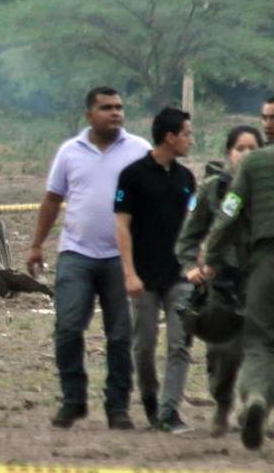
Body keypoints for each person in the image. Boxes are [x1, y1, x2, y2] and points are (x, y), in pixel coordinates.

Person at [27, 86, 151, 430]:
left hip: (121, 259)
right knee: (67, 329)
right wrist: (36, 245)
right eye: (107, 107)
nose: (116, 113)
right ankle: (73, 400)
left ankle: (118, 408)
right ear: (89, 115)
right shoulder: (70, 152)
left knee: (120, 335)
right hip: (76, 254)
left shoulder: (140, 150)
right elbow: (52, 200)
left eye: (119, 107)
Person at [114, 107, 196, 433]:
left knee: (180, 344)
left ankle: (169, 411)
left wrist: (197, 264)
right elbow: (121, 225)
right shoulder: (132, 176)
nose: (191, 140)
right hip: (144, 278)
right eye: (187, 134)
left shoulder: (186, 179)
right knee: (144, 345)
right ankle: (150, 398)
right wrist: (129, 273)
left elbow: (194, 226)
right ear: (170, 137)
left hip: (179, 277)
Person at [175, 126, 261, 437]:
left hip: (262, 283)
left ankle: (257, 406)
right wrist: (191, 268)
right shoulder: (213, 189)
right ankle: (223, 404)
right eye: (240, 148)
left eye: (253, 149)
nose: (246, 155)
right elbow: (189, 237)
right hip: (222, 286)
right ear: (229, 153)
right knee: (225, 355)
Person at [203, 144, 274, 450]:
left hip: (266, 260)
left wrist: (212, 255)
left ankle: (256, 396)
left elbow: (229, 210)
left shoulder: (255, 162)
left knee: (258, 341)